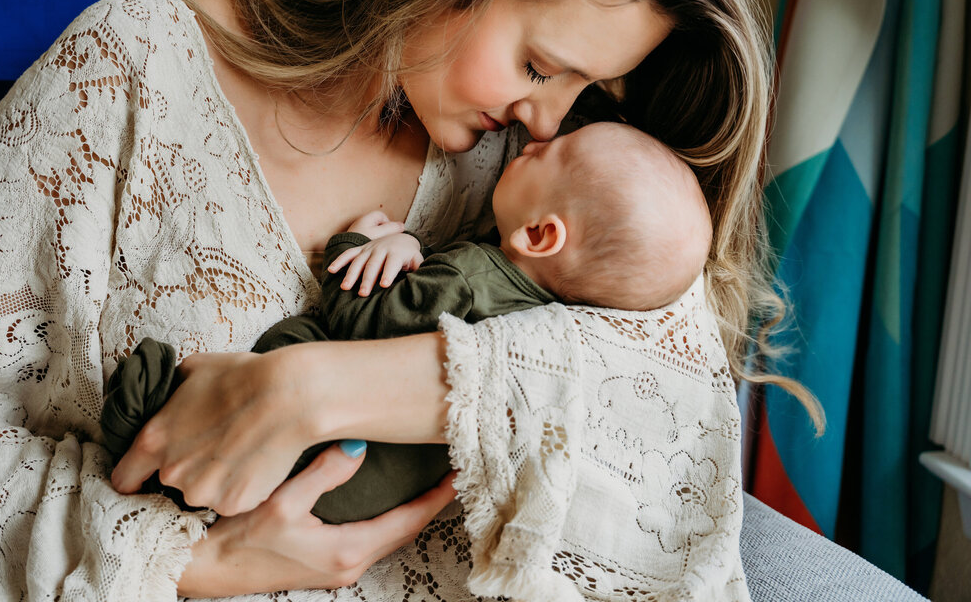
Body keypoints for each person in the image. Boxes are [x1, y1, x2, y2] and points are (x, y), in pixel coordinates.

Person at [0, 0, 823, 600]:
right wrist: (192, 562)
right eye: (537, 63)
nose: (550, 119)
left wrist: (309, 388)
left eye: (582, 91)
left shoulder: (541, 177)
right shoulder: (129, 76)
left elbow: (671, 406)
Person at [100, 121, 714, 525]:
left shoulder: (471, 276)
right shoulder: (544, 323)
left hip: (330, 462)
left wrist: (359, 248)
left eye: (547, 155)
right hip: (380, 489)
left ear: (540, 234)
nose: (533, 141)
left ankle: (151, 415)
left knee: (295, 342)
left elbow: (358, 324)